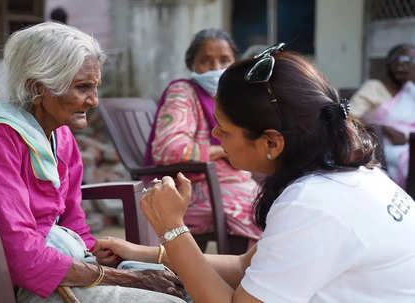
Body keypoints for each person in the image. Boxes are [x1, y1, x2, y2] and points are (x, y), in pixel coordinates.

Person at [94, 44, 415, 302]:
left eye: (225, 129)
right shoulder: (345, 178)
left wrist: (172, 228)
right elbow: (241, 266)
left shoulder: (313, 203)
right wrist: (144, 253)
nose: (216, 135)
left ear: (271, 142)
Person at [0, 22, 185, 303]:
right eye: (83, 87)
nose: (93, 100)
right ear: (37, 88)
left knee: (183, 286)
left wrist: (96, 252)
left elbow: (72, 219)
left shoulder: (61, 136)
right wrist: (125, 277)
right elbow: (17, 250)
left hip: (48, 260)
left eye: (95, 87)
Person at [144, 28, 261, 246]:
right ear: (192, 65)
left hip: (231, 183)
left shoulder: (228, 97)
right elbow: (169, 148)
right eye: (206, 61)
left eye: (225, 60)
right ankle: (242, 275)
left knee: (279, 209)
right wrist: (220, 150)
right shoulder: (183, 92)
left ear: (235, 62)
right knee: (261, 215)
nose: (216, 68)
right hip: (192, 186)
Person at [352, 43, 415, 187]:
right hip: (383, 150)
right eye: (402, 60)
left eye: (412, 62)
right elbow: (350, 117)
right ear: (389, 63)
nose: (404, 67)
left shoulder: (411, 91)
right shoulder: (374, 87)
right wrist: (384, 129)